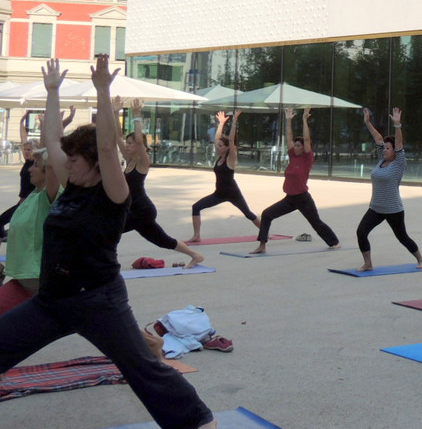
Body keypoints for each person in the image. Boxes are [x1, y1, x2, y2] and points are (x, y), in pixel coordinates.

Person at [0, 56, 217, 429]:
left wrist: (103, 90)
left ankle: (198, 422)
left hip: (97, 300)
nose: (65, 163)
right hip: (52, 300)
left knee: (141, 367)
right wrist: (52, 92)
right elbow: (51, 139)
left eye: (74, 158)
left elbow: (105, 147)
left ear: (95, 164)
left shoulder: (113, 193)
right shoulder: (69, 185)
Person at [114, 97, 205, 268]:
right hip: (137, 211)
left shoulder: (143, 162)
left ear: (139, 146)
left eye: (130, 143)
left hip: (142, 211)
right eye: (127, 143)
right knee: (162, 240)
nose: (126, 145)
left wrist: (137, 115)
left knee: (111, 229)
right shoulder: (130, 160)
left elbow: (139, 140)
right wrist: (115, 112)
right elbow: (117, 136)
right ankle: (195, 255)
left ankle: (107, 262)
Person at [251, 108, 340, 254]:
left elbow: (307, 139)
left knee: (315, 222)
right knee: (267, 214)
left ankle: (334, 242)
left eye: (299, 146)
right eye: (295, 145)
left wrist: (304, 120)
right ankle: (262, 245)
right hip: (290, 199)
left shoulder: (307, 159)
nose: (295, 147)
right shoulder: (293, 157)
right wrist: (288, 121)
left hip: (303, 198)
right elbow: (289, 138)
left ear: (304, 148)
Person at [356, 107, 422, 271]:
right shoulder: (382, 160)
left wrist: (397, 125)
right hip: (376, 208)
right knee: (361, 232)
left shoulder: (399, 163)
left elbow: (399, 144)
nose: (385, 150)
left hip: (393, 209)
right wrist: (368, 122)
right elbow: (378, 138)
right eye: (385, 148)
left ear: (395, 151)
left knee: (402, 237)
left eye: (388, 148)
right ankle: (368, 263)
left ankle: (421, 259)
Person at [0, 144, 60, 316]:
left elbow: (53, 163)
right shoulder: (34, 194)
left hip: (37, 280)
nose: (29, 169)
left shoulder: (49, 196)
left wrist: (53, 138)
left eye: (35, 166)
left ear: (48, 172)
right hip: (24, 280)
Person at [188, 110, 260, 242]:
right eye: (217, 146)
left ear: (227, 147)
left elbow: (231, 140)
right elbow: (217, 139)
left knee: (248, 214)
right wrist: (221, 123)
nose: (217, 147)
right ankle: (197, 235)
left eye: (220, 146)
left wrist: (234, 122)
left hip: (233, 193)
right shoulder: (219, 156)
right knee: (196, 207)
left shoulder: (231, 158)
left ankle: (265, 232)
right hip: (219, 194)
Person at [0, 109, 72, 241]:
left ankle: (8, 236)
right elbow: (24, 138)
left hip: (28, 202)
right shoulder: (28, 162)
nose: (26, 152)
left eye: (29, 150)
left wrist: (51, 125)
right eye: (25, 149)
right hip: (23, 202)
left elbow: (48, 146)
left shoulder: (38, 161)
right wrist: (21, 122)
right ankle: (6, 236)